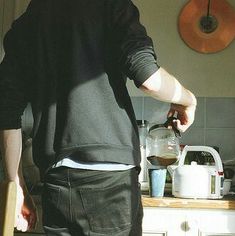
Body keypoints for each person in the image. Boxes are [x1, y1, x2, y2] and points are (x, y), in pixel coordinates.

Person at [0, 0, 197, 235]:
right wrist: (188, 98)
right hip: (110, 183)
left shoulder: (30, 19)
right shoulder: (112, 5)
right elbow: (149, 79)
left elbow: (7, 108)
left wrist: (17, 184)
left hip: (57, 183)